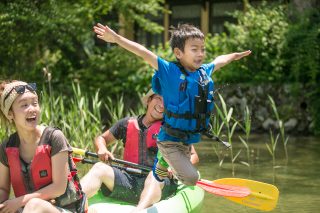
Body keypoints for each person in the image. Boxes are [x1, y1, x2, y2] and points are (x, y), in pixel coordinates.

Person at [93, 23, 251, 186]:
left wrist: (234, 55)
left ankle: (162, 168)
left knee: (187, 173)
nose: (200, 54)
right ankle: (164, 168)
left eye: (202, 49)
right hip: (169, 140)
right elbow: (143, 53)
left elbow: (220, 60)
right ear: (178, 53)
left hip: (186, 141)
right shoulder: (169, 71)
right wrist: (117, 39)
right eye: (194, 49)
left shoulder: (203, 72)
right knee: (192, 179)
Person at [80, 89, 199, 212]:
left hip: (160, 183)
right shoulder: (126, 124)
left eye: (167, 102)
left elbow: (193, 156)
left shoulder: (173, 130)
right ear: (149, 100)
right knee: (99, 167)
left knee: (155, 174)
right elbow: (101, 138)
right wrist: (102, 148)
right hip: (129, 181)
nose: (162, 105)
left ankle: (139, 210)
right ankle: (72, 203)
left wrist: (175, 167)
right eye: (158, 98)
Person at [0, 80, 86, 213]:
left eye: (35, 103)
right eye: (24, 105)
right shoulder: (6, 147)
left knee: (34, 205)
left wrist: (18, 201)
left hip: (65, 210)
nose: (32, 109)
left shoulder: (54, 137)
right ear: (10, 114)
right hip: (26, 209)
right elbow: (3, 189)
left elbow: (58, 188)